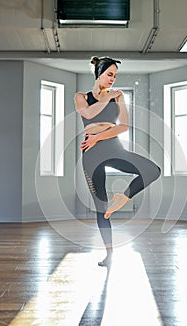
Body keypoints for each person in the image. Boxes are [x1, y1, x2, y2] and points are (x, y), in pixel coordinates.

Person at [74, 56, 161, 267]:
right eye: (109, 74)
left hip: (112, 147)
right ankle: (109, 254)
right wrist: (106, 98)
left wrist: (97, 136)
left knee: (152, 170)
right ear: (99, 74)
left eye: (115, 75)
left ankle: (123, 197)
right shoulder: (81, 96)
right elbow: (88, 112)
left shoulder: (118, 96)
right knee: (101, 209)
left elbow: (124, 126)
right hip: (91, 154)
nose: (113, 79)